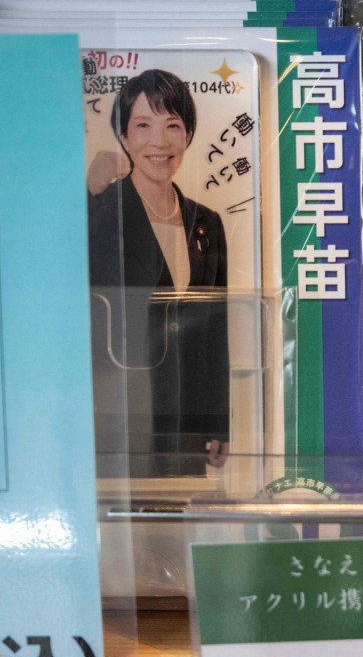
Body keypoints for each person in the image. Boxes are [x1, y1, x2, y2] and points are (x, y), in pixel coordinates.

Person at [87, 69, 230, 477]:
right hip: (120, 411)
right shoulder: (103, 209)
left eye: (172, 126)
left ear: (188, 135)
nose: (159, 141)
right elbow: (70, 279)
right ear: (123, 136)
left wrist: (218, 422)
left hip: (185, 415)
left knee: (178, 514)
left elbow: (214, 328)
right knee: (122, 515)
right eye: (143, 125)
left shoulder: (206, 222)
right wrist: (87, 195)